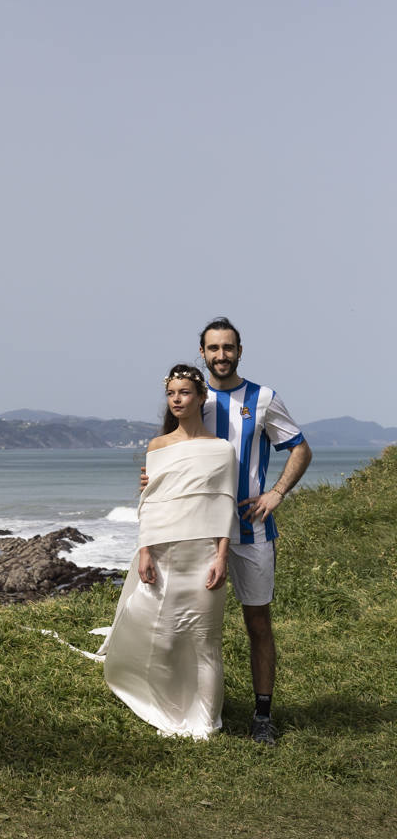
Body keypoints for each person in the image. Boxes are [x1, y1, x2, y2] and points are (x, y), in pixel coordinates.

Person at [101, 365, 236, 739]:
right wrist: (145, 551)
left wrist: (222, 557)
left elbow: (225, 504)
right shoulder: (158, 446)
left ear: (201, 397)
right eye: (172, 393)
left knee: (204, 641)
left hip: (205, 554)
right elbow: (152, 504)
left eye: (185, 393)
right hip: (164, 552)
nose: (177, 399)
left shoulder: (222, 450)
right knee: (161, 635)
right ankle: (167, 707)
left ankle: (205, 722)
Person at [198, 316, 312, 745]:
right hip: (200, 531)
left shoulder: (263, 399)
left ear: (239, 351)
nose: (221, 355)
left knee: (258, 622)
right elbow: (170, 449)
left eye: (228, 348)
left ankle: (262, 716)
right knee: (193, 622)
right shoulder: (191, 397)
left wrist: (277, 492)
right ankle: (195, 707)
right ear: (203, 353)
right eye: (213, 348)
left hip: (251, 530)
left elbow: (300, 448)